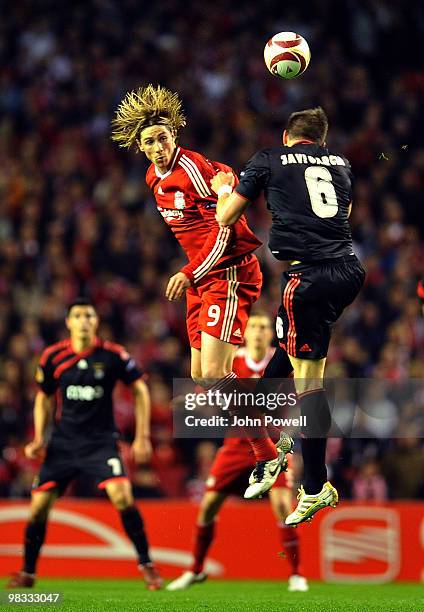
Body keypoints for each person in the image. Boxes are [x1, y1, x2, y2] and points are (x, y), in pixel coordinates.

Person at [111, 85, 293, 497]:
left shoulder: (190, 168)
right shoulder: (151, 178)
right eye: (149, 142)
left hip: (228, 273)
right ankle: (269, 442)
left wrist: (191, 273)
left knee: (214, 372)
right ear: (139, 147)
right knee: (201, 375)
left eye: (163, 137)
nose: (158, 147)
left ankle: (267, 452)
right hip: (204, 277)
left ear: (175, 133)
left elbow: (225, 232)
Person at [211, 107, 366, 525]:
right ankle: (275, 438)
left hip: (308, 277)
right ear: (322, 139)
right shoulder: (340, 163)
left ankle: (315, 485)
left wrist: (224, 188)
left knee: (309, 381)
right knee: (288, 343)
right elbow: (341, 218)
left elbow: (227, 218)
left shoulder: (268, 158)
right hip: (348, 271)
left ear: (286, 136)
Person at [8, 298, 163, 590]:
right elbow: (43, 396)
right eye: (77, 315)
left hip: (101, 442)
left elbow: (140, 388)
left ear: (96, 321)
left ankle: (148, 566)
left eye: (89, 315)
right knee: (39, 507)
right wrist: (40, 438)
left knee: (122, 496)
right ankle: (28, 572)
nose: (84, 320)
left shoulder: (113, 354)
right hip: (63, 443)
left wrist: (142, 436)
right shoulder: (53, 356)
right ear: (68, 322)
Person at [166, 313, 308, 592]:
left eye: (263, 327)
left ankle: (297, 574)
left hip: (273, 443)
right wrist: (193, 400)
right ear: (245, 332)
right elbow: (208, 390)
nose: (258, 331)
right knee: (208, 507)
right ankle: (195, 570)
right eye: (253, 326)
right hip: (235, 444)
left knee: (282, 506)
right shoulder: (232, 361)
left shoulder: (282, 362)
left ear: (271, 333)